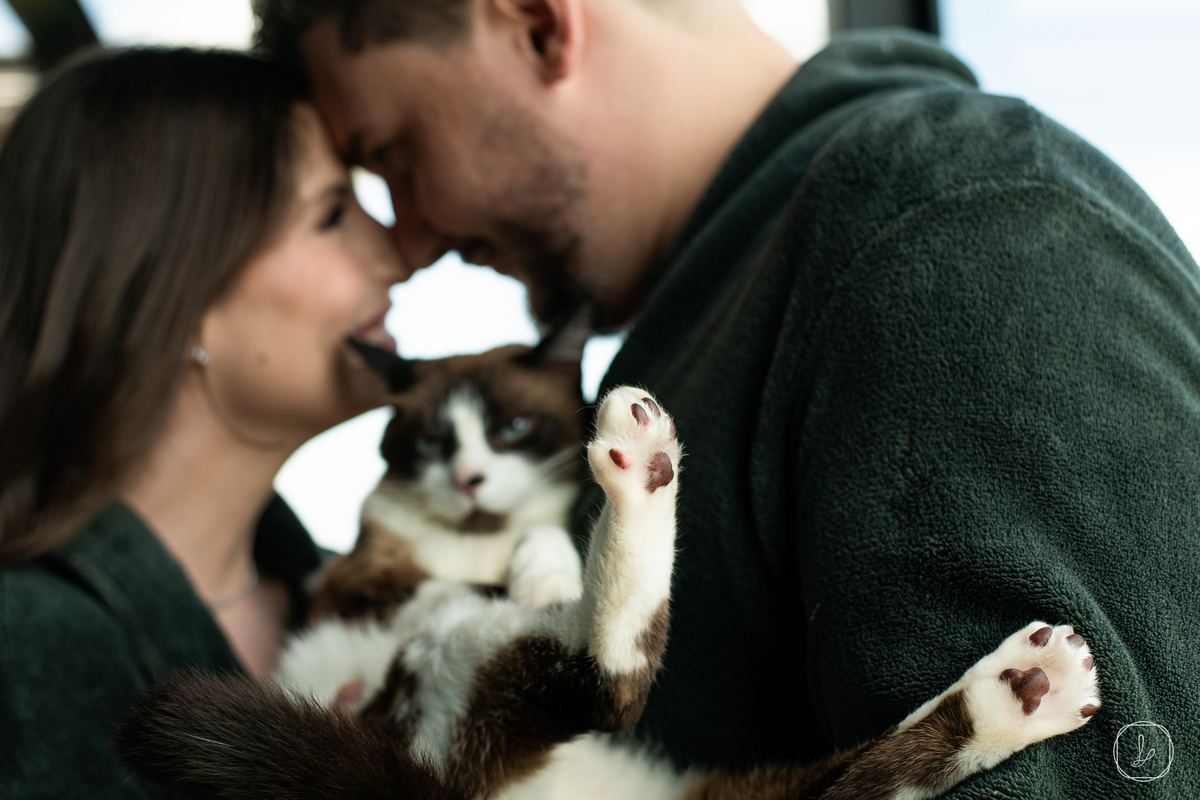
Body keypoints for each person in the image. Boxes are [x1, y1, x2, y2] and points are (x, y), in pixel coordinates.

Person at [254, 0, 1200, 796]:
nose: (410, 242)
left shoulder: (950, 228)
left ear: (541, 27)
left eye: (399, 160)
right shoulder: (732, 299)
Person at [0, 48, 408, 797]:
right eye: (332, 215)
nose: (399, 254)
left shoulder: (359, 603)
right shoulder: (25, 650)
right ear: (174, 285)